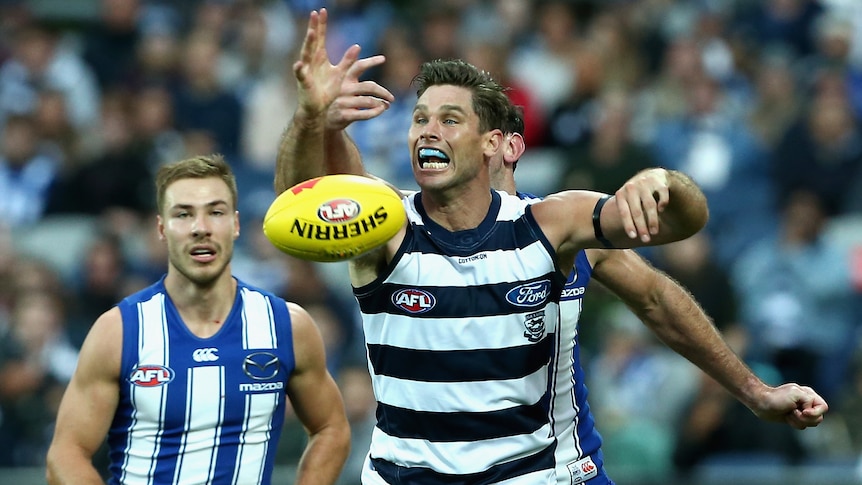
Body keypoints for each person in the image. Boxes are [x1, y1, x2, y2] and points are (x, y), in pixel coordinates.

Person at [278, 9, 830, 485]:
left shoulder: (554, 222)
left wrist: (663, 180)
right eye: (420, 119)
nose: (428, 131)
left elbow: (675, 245)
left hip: (538, 470)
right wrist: (309, 118)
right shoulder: (387, 221)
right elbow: (298, 206)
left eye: (449, 119)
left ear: (496, 143)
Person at [45, 154, 351, 484]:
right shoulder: (118, 332)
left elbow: (331, 429)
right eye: (183, 214)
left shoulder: (286, 326)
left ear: (235, 224)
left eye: (215, 212)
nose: (200, 228)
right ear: (162, 228)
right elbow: (66, 454)